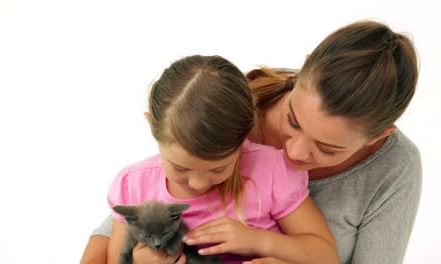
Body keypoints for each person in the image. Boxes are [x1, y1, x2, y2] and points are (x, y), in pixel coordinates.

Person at [81, 20, 421, 264]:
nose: (294, 152)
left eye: (328, 148)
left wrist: (264, 243)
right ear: (300, 74)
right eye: (292, 120)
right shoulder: (235, 103)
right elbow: (126, 218)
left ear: (379, 135)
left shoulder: (394, 171)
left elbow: (324, 254)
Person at [104, 54, 339, 264]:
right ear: (151, 126)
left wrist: (257, 241)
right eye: (180, 167)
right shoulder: (131, 186)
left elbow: (325, 256)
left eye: (219, 168)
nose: (199, 184)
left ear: (245, 136)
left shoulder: (272, 170)